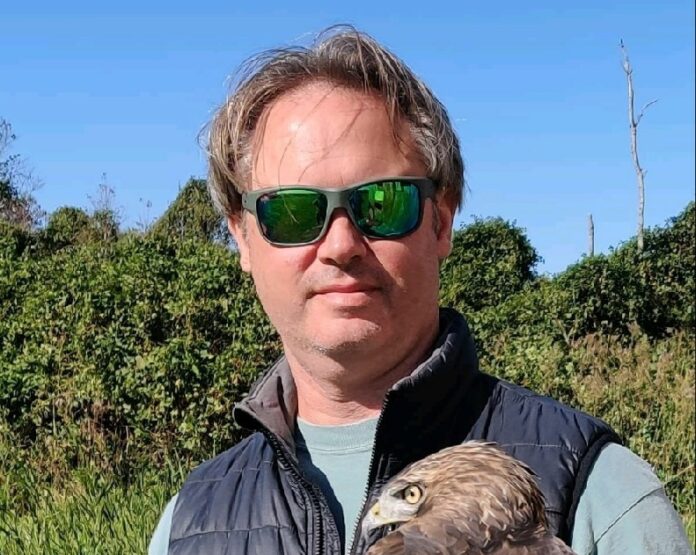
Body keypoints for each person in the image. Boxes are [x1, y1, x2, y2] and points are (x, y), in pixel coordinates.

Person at [150, 26, 692, 555]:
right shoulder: (189, 522)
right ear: (243, 237)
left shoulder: (596, 490)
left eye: (383, 203)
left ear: (441, 221)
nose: (341, 244)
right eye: (293, 211)